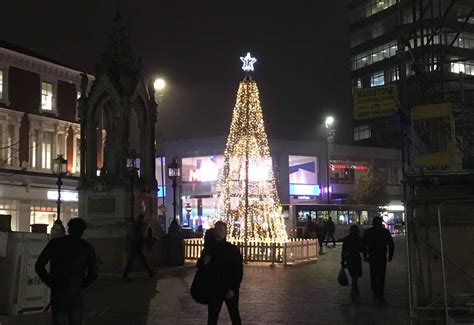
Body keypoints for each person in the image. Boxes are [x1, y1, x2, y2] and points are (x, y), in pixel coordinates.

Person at [35, 218, 97, 325]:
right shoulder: (87, 247)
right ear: (82, 231)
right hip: (75, 290)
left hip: (58, 288)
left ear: (68, 229)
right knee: (75, 319)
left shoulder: (55, 243)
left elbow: (39, 266)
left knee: (59, 319)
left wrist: (50, 282)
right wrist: (82, 284)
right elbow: (93, 273)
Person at [204, 221, 243, 325]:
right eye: (216, 230)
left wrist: (233, 288)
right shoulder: (209, 249)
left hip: (229, 287)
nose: (218, 232)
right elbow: (201, 267)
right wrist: (204, 261)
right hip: (214, 289)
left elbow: (238, 271)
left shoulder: (232, 250)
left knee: (234, 315)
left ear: (226, 232)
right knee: (212, 317)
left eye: (220, 230)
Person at [363, 216, 394, 302]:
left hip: (372, 257)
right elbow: (391, 244)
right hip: (381, 257)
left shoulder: (368, 232)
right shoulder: (385, 232)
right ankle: (380, 294)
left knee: (373, 275)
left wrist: (365, 256)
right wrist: (390, 255)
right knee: (381, 275)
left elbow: (364, 244)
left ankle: (375, 292)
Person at [122, 214, 155, 280]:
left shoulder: (139, 225)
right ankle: (125, 275)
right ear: (140, 218)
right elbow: (137, 236)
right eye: (142, 218)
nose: (143, 220)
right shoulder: (137, 225)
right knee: (134, 261)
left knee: (138, 260)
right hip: (136, 246)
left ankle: (150, 273)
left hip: (136, 246)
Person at [341, 225, 364, 302]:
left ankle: (355, 291)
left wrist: (343, 261)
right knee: (355, 276)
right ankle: (354, 291)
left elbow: (343, 251)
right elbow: (362, 249)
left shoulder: (346, 239)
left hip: (349, 259)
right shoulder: (358, 239)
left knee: (353, 276)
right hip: (356, 258)